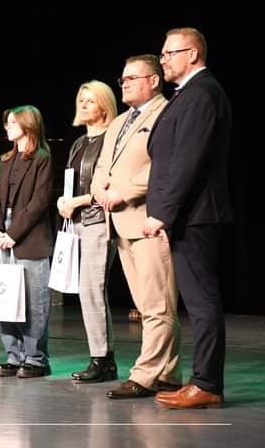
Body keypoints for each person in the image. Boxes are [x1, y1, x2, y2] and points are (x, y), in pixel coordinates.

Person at [144, 28, 232, 409]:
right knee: (198, 300)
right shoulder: (189, 94)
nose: (163, 59)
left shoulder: (202, 94)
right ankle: (203, 380)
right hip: (190, 214)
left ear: (192, 54)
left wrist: (162, 214)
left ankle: (207, 383)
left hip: (196, 214)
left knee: (202, 300)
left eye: (169, 53)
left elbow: (187, 162)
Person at [91, 55, 182, 399]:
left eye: (132, 78)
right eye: (123, 79)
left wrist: (124, 192)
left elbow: (164, 165)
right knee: (147, 305)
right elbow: (103, 166)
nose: (124, 83)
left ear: (154, 81)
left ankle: (145, 375)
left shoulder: (166, 113)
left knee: (157, 304)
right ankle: (169, 373)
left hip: (149, 220)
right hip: (120, 221)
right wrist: (100, 190)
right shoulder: (119, 122)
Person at [57, 81, 118, 383]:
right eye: (81, 100)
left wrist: (79, 201)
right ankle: (101, 356)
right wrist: (63, 200)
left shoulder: (111, 139)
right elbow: (71, 180)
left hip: (98, 220)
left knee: (92, 289)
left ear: (104, 106)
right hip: (77, 223)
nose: (83, 105)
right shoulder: (79, 143)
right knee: (86, 290)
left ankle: (102, 359)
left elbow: (111, 184)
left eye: (90, 100)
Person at [0, 105, 53, 378]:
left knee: (33, 302)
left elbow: (39, 202)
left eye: (13, 122)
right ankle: (13, 356)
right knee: (6, 298)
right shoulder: (6, 160)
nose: (7, 127)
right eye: (7, 123)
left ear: (28, 124)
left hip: (29, 238)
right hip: (3, 236)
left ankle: (36, 358)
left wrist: (12, 233)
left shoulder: (42, 159)